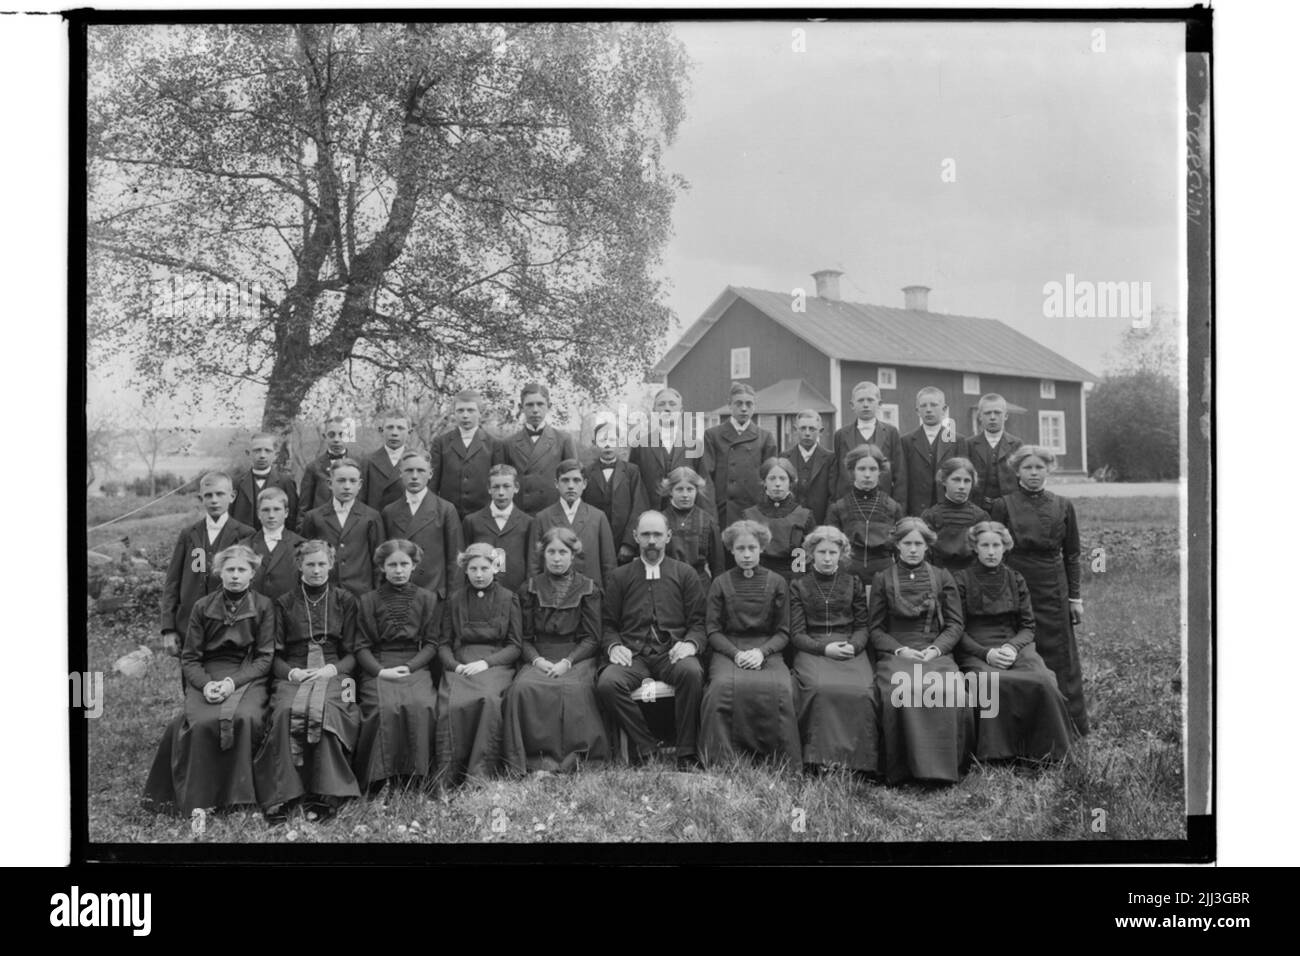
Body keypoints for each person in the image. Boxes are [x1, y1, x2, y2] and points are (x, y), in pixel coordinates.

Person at [142, 544, 276, 814]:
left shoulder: (263, 606)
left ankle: (239, 798)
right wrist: (206, 684)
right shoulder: (202, 606)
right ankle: (200, 800)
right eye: (230, 570)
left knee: (245, 717)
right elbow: (190, 657)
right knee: (201, 722)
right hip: (208, 673)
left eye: (242, 570)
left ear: (252, 573)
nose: (236, 576)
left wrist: (231, 684)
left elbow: (264, 657)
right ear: (219, 572)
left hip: (246, 674)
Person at [253, 539, 362, 821]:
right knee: (286, 711)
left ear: (331, 565)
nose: (316, 570)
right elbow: (272, 655)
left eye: (321, 564)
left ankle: (327, 792)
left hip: (338, 672)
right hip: (295, 669)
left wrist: (332, 670)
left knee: (330, 710)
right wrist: (292, 673)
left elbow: (353, 653)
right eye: (310, 564)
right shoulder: (284, 603)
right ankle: (285, 794)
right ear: (299, 565)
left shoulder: (345, 600)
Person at [954, 521, 1077, 762]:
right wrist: (986, 654)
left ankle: (1047, 751)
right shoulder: (960, 580)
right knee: (989, 681)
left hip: (1015, 644)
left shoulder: (1016, 578)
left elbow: (1028, 626)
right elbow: (956, 629)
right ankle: (998, 754)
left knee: (1042, 680)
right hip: (977, 649)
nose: (991, 552)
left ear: (1005, 547)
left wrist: (1011, 647)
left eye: (996, 545)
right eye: (985, 545)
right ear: (975, 548)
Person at [597, 511, 707, 769]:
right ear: (635, 536)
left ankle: (686, 753)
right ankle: (646, 748)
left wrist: (690, 644)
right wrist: (613, 647)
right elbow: (608, 624)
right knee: (608, 683)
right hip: (634, 655)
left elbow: (699, 624)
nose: (652, 541)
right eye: (645, 534)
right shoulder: (621, 576)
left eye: (657, 534)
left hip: (671, 654)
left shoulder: (685, 574)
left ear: (668, 536)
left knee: (691, 673)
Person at [990, 445, 1088, 734]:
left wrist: (1075, 598)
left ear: (1049, 470)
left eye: (1039, 467)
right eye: (1028, 468)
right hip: (1016, 583)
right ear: (1017, 471)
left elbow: (1073, 554)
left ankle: (1068, 723)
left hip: (1053, 588)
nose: (1034, 473)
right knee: (1019, 649)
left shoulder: (1063, 505)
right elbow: (994, 551)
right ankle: (1022, 726)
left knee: (1060, 655)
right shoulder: (1002, 505)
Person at [868, 517, 973, 784]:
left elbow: (954, 624)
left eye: (919, 543)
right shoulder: (882, 579)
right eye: (907, 543)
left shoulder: (941, 577)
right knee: (899, 692)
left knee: (950, 690)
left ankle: (946, 768)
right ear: (897, 545)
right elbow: (876, 629)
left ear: (927, 546)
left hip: (933, 651)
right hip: (897, 653)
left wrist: (936, 650)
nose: (913, 549)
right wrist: (899, 650)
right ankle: (903, 769)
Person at [503, 527, 610, 773]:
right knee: (522, 689)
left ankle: (576, 762)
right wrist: (537, 660)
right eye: (551, 551)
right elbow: (523, 637)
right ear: (543, 555)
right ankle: (535, 760)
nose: (557, 558)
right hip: (538, 655)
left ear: (573, 555)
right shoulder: (529, 588)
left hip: (577, 655)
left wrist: (568, 662)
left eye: (563, 552)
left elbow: (593, 638)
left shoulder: (588, 588)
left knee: (575, 689)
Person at [699, 520, 801, 769]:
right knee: (721, 688)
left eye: (752, 548)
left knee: (781, 688)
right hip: (728, 649)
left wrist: (761, 652)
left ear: (762, 549)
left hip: (767, 650)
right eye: (740, 548)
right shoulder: (720, 583)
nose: (746, 555)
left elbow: (783, 631)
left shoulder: (777, 582)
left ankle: (778, 760)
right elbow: (712, 630)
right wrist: (735, 654)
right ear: (731, 550)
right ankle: (723, 760)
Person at [788, 525, 880, 775]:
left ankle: (858, 764)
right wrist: (824, 649)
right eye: (821, 552)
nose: (827, 558)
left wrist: (854, 646)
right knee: (819, 688)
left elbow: (863, 626)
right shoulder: (799, 585)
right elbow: (797, 634)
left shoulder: (854, 583)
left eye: (832, 552)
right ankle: (817, 760)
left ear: (842, 554)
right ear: (811, 554)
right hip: (814, 648)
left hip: (849, 646)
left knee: (862, 690)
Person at [352, 539, 441, 791]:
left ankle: (417, 777)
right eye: (392, 565)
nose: (399, 570)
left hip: (414, 664)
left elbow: (432, 643)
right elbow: (360, 646)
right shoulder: (368, 600)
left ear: (414, 566)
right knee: (383, 707)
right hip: (378, 665)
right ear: (382, 567)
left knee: (422, 705)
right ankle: (380, 778)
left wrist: (411, 667)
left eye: (404, 564)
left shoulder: (427, 598)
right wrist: (380, 671)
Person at [435, 543, 523, 786]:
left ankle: (480, 773)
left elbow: (515, 645)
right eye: (473, 569)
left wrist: (487, 663)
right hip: (461, 663)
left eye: (485, 568)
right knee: (451, 705)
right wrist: (454, 666)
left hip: (496, 664)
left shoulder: (508, 598)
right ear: (465, 570)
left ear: (495, 567)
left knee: (489, 700)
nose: (479, 574)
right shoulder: (455, 600)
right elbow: (443, 643)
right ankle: (449, 776)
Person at [159, 471, 255, 657]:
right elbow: (172, 582)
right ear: (200, 498)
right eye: (208, 495)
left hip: (229, 628)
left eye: (220, 494)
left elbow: (251, 583)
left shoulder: (245, 534)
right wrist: (168, 629)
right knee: (191, 682)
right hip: (189, 627)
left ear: (232, 496)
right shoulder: (189, 534)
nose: (214, 500)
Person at [381, 450, 462, 600]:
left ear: (430, 474)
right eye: (409, 470)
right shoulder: (389, 511)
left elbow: (455, 560)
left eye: (421, 471)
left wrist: (452, 600)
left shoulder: (445, 509)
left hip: (435, 595)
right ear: (400, 473)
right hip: (398, 596)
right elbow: (384, 557)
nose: (414, 476)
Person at [299, 458, 384, 596]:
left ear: (360, 484)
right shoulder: (314, 517)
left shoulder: (371, 517)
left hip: (361, 593)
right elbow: (305, 557)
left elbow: (378, 560)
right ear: (330, 483)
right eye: (341, 480)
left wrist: (375, 595)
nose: (347, 486)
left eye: (352, 481)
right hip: (325, 593)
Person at [528, 459, 617, 589]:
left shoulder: (598, 517)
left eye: (576, 480)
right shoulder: (542, 518)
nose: (570, 486)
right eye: (565, 480)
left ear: (585, 484)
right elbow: (534, 565)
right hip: (551, 596)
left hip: (589, 595)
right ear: (556, 484)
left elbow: (608, 564)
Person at [826, 444, 904, 590]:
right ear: (852, 471)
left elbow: (900, 551)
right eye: (861, 469)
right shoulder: (838, 508)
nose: (867, 474)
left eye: (873, 469)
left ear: (880, 471)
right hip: (848, 578)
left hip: (885, 578)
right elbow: (831, 548)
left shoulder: (893, 507)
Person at [702, 382, 778, 526]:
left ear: (754, 406)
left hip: (754, 511)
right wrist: (710, 510)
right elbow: (706, 477)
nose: (744, 408)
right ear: (729, 405)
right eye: (739, 403)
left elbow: (772, 480)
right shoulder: (713, 435)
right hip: (723, 511)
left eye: (749, 404)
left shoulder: (765, 437)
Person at [629, 386, 711, 513]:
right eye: (661, 404)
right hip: (650, 517)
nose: (667, 408)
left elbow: (704, 488)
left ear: (681, 410)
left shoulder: (695, 445)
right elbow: (633, 486)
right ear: (654, 411)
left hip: (685, 517)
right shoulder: (640, 445)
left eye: (672, 404)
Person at [503, 382, 578, 515]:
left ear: (549, 406)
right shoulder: (509, 443)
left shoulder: (563, 439)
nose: (535, 410)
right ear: (521, 407)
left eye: (540, 404)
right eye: (530, 405)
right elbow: (501, 483)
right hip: (519, 515)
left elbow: (573, 481)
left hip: (553, 514)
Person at [429, 389, 504, 519]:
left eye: (470, 410)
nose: (465, 415)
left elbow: (498, 483)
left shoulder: (494, 444)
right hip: (448, 516)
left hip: (483, 516)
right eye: (460, 410)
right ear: (454, 413)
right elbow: (433, 483)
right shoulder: (441, 443)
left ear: (480, 413)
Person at [582, 419, 648, 564]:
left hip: (622, 545)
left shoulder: (632, 471)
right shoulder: (585, 472)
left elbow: (639, 508)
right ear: (594, 443)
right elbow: (582, 509)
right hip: (594, 543)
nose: (607, 445)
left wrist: (629, 543)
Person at [461, 464, 534, 592]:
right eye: (496, 487)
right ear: (489, 489)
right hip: (480, 591)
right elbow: (465, 562)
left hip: (516, 593)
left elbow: (531, 563)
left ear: (516, 488)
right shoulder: (472, 521)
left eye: (506, 486)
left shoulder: (528, 523)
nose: (501, 493)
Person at [831, 382, 905, 507]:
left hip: (883, 504)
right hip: (849, 504)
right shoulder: (841, 435)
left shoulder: (891, 433)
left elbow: (900, 474)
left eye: (870, 400)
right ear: (852, 405)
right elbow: (836, 473)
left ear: (879, 404)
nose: (865, 405)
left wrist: (898, 508)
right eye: (860, 400)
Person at [742, 457, 815, 582]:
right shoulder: (750, 515)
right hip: (758, 580)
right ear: (764, 482)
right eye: (772, 478)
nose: (777, 483)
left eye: (782, 478)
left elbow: (806, 559)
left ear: (790, 482)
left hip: (792, 580)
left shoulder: (804, 516)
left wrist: (796, 586)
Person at [899, 387, 968, 516]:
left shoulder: (957, 441)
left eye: (934, 405)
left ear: (944, 409)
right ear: (917, 411)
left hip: (948, 510)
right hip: (916, 511)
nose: (929, 409)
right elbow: (902, 481)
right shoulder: (906, 441)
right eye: (923, 406)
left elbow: (964, 478)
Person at [920, 457, 990, 572]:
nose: (962, 486)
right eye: (956, 480)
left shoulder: (981, 517)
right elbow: (924, 555)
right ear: (944, 480)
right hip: (939, 577)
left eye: (967, 481)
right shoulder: (931, 516)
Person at [659, 466, 724, 588]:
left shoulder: (707, 521)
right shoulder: (660, 520)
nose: (685, 495)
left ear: (697, 490)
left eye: (690, 489)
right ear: (670, 491)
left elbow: (717, 564)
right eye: (679, 489)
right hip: (668, 584)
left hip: (699, 584)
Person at [230, 432, 300, 533]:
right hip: (243, 542)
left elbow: (292, 517)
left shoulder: (286, 482)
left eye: (267, 451)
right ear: (248, 453)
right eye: (257, 450)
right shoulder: (235, 483)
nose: (262, 455)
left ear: (275, 455)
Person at [965, 394, 1024, 512]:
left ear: (1006, 415)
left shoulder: (1016, 444)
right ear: (980, 416)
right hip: (977, 507)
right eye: (987, 413)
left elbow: (1021, 478)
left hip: (1009, 508)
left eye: (997, 412)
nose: (992, 417)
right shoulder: (969, 444)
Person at [249, 486, 305, 602]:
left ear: (286, 512)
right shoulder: (245, 545)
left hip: (288, 612)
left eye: (277, 509)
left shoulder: (301, 545)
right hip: (255, 612)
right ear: (258, 513)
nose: (271, 515)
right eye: (265, 510)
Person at [781, 409, 835, 525]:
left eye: (812, 429)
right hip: (790, 523)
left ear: (820, 431)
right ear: (795, 430)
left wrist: (827, 524)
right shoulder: (784, 457)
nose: (807, 433)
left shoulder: (830, 458)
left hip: (820, 523)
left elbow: (832, 496)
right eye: (803, 428)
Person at [299, 416, 352, 517]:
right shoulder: (314, 467)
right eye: (331, 435)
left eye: (342, 435)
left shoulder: (361, 464)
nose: (336, 439)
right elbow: (303, 508)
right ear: (324, 436)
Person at [361, 410, 412, 512]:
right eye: (390, 427)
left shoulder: (415, 462)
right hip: (376, 522)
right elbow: (361, 501)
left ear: (409, 432)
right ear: (381, 430)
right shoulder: (367, 462)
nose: (394, 433)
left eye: (400, 428)